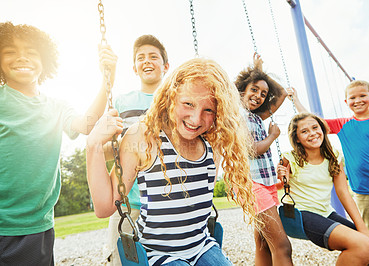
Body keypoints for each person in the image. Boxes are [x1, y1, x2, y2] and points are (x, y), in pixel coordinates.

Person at [86, 58, 256, 265]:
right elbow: (104, 208)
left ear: (220, 111)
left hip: (202, 245)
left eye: (208, 110)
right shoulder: (143, 137)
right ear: (171, 97)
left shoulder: (215, 142)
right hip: (157, 254)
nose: (195, 119)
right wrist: (93, 145)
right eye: (188, 104)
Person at [0, 21, 116, 265]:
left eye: (31, 52)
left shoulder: (56, 106)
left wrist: (107, 81)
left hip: (37, 224)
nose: (22, 57)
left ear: (44, 62)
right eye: (10, 51)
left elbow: (86, 125)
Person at [288, 82, 369, 242]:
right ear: (346, 102)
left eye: (362, 95)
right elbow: (313, 122)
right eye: (353, 97)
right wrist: (296, 101)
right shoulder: (342, 124)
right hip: (365, 191)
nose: (358, 100)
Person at [276, 112, 369, 265]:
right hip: (301, 214)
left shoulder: (334, 157)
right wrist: (282, 177)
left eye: (315, 128)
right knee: (362, 245)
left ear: (322, 129)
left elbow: (344, 193)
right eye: (304, 131)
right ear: (297, 138)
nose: (312, 133)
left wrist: (364, 230)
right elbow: (278, 185)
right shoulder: (290, 158)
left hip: (326, 213)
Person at [104, 34, 170, 265]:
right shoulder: (122, 101)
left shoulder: (177, 101)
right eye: (141, 58)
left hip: (167, 203)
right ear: (134, 67)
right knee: (123, 260)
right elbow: (106, 146)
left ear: (166, 65)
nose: (147, 61)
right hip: (128, 202)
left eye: (154, 56)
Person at [234, 53, 293, 266]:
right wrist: (273, 136)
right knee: (283, 246)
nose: (258, 96)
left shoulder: (257, 116)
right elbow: (251, 149)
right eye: (254, 90)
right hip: (252, 185)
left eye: (263, 93)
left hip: (265, 184)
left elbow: (282, 93)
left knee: (264, 244)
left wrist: (261, 72)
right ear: (242, 91)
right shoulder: (236, 115)